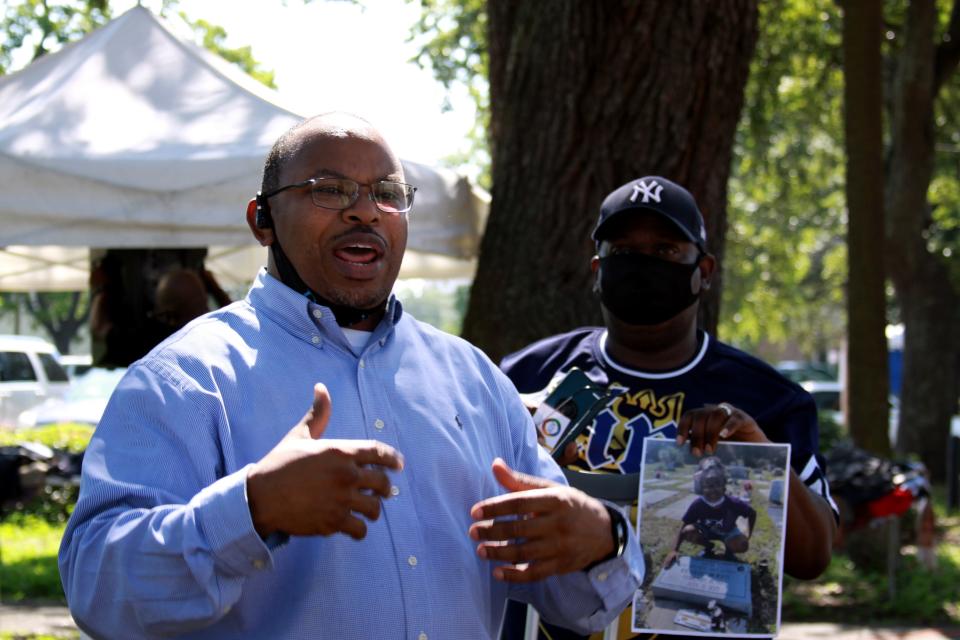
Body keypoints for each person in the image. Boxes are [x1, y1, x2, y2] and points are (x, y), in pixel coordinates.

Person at [58, 113, 644, 639]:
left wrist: (603, 540)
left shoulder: (474, 379)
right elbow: (97, 590)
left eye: (387, 193)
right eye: (328, 189)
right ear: (262, 220)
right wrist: (251, 509)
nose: (364, 209)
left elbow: (577, 603)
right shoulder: (184, 380)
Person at [500, 176, 839, 640]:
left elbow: (814, 556)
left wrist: (759, 454)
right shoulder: (526, 375)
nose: (643, 263)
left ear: (705, 269)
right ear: (598, 268)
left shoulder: (768, 398)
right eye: (623, 251)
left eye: (666, 250)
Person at [662, 460, 757, 568]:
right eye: (708, 486)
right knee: (688, 531)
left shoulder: (733, 503)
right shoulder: (698, 504)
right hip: (706, 531)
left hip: (728, 531)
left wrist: (748, 534)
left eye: (717, 485)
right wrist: (674, 550)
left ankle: (729, 551)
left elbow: (752, 513)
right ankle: (708, 546)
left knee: (742, 544)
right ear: (702, 489)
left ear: (724, 487)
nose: (713, 489)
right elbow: (684, 525)